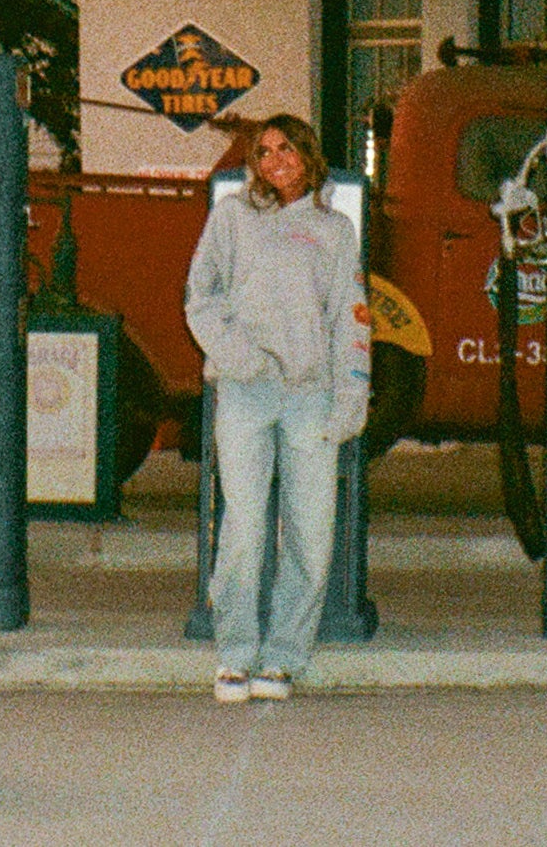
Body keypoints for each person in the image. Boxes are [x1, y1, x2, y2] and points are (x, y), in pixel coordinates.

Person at [184, 113, 372, 702]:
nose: (274, 161)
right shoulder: (232, 217)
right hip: (244, 391)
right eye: (263, 152)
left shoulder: (336, 230)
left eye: (285, 149)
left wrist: (351, 395)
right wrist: (240, 358)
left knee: (311, 533)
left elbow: (351, 317)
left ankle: (285, 656)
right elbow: (200, 297)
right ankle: (235, 655)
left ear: (308, 155)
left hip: (311, 396)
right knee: (243, 527)